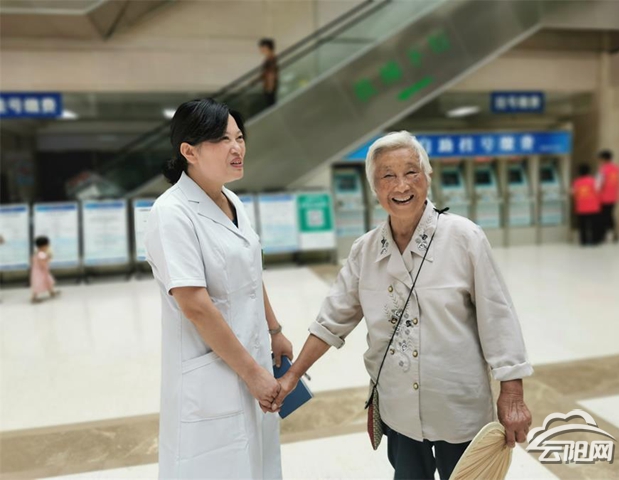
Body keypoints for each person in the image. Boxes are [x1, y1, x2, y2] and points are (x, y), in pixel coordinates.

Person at [274, 131, 533, 480]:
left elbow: (498, 317)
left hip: (458, 407)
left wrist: (512, 393)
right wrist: (292, 375)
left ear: (428, 176)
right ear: (374, 187)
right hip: (399, 410)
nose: (401, 186)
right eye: (387, 175)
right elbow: (331, 320)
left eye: (411, 172)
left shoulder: (464, 237)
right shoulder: (365, 251)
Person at [144, 98, 293, 479]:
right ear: (189, 151)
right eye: (222, 139)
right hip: (211, 371)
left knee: (257, 464)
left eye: (239, 137)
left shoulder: (232, 201)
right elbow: (195, 305)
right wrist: (253, 374)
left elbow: (250, 272)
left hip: (250, 356)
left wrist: (274, 329)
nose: (237, 148)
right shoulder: (171, 213)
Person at [572, 164, 602, 246]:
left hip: (581, 207)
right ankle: (594, 240)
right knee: (594, 225)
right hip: (593, 207)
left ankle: (583, 241)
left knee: (582, 225)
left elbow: (574, 193)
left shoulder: (576, 182)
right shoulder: (594, 181)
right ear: (588, 171)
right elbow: (598, 191)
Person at [596, 149, 619, 242]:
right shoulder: (617, 169)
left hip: (603, 197)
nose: (599, 160)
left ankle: (604, 235)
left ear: (603, 159)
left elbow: (598, 184)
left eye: (600, 159)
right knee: (610, 215)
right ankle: (614, 233)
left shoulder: (603, 169)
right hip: (614, 196)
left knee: (604, 216)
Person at [30, 236, 59, 304]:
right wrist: (48, 259)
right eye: (47, 245)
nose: (48, 247)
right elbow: (43, 263)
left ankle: (52, 292)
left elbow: (33, 260)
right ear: (44, 246)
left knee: (47, 281)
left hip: (36, 271)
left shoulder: (37, 252)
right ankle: (34, 297)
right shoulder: (42, 254)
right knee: (40, 283)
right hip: (41, 272)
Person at [258, 38, 279, 107]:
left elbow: (271, 73)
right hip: (269, 87)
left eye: (262, 47)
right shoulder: (269, 58)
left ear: (267, 47)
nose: (261, 49)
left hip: (269, 88)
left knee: (270, 105)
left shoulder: (271, 59)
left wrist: (270, 88)